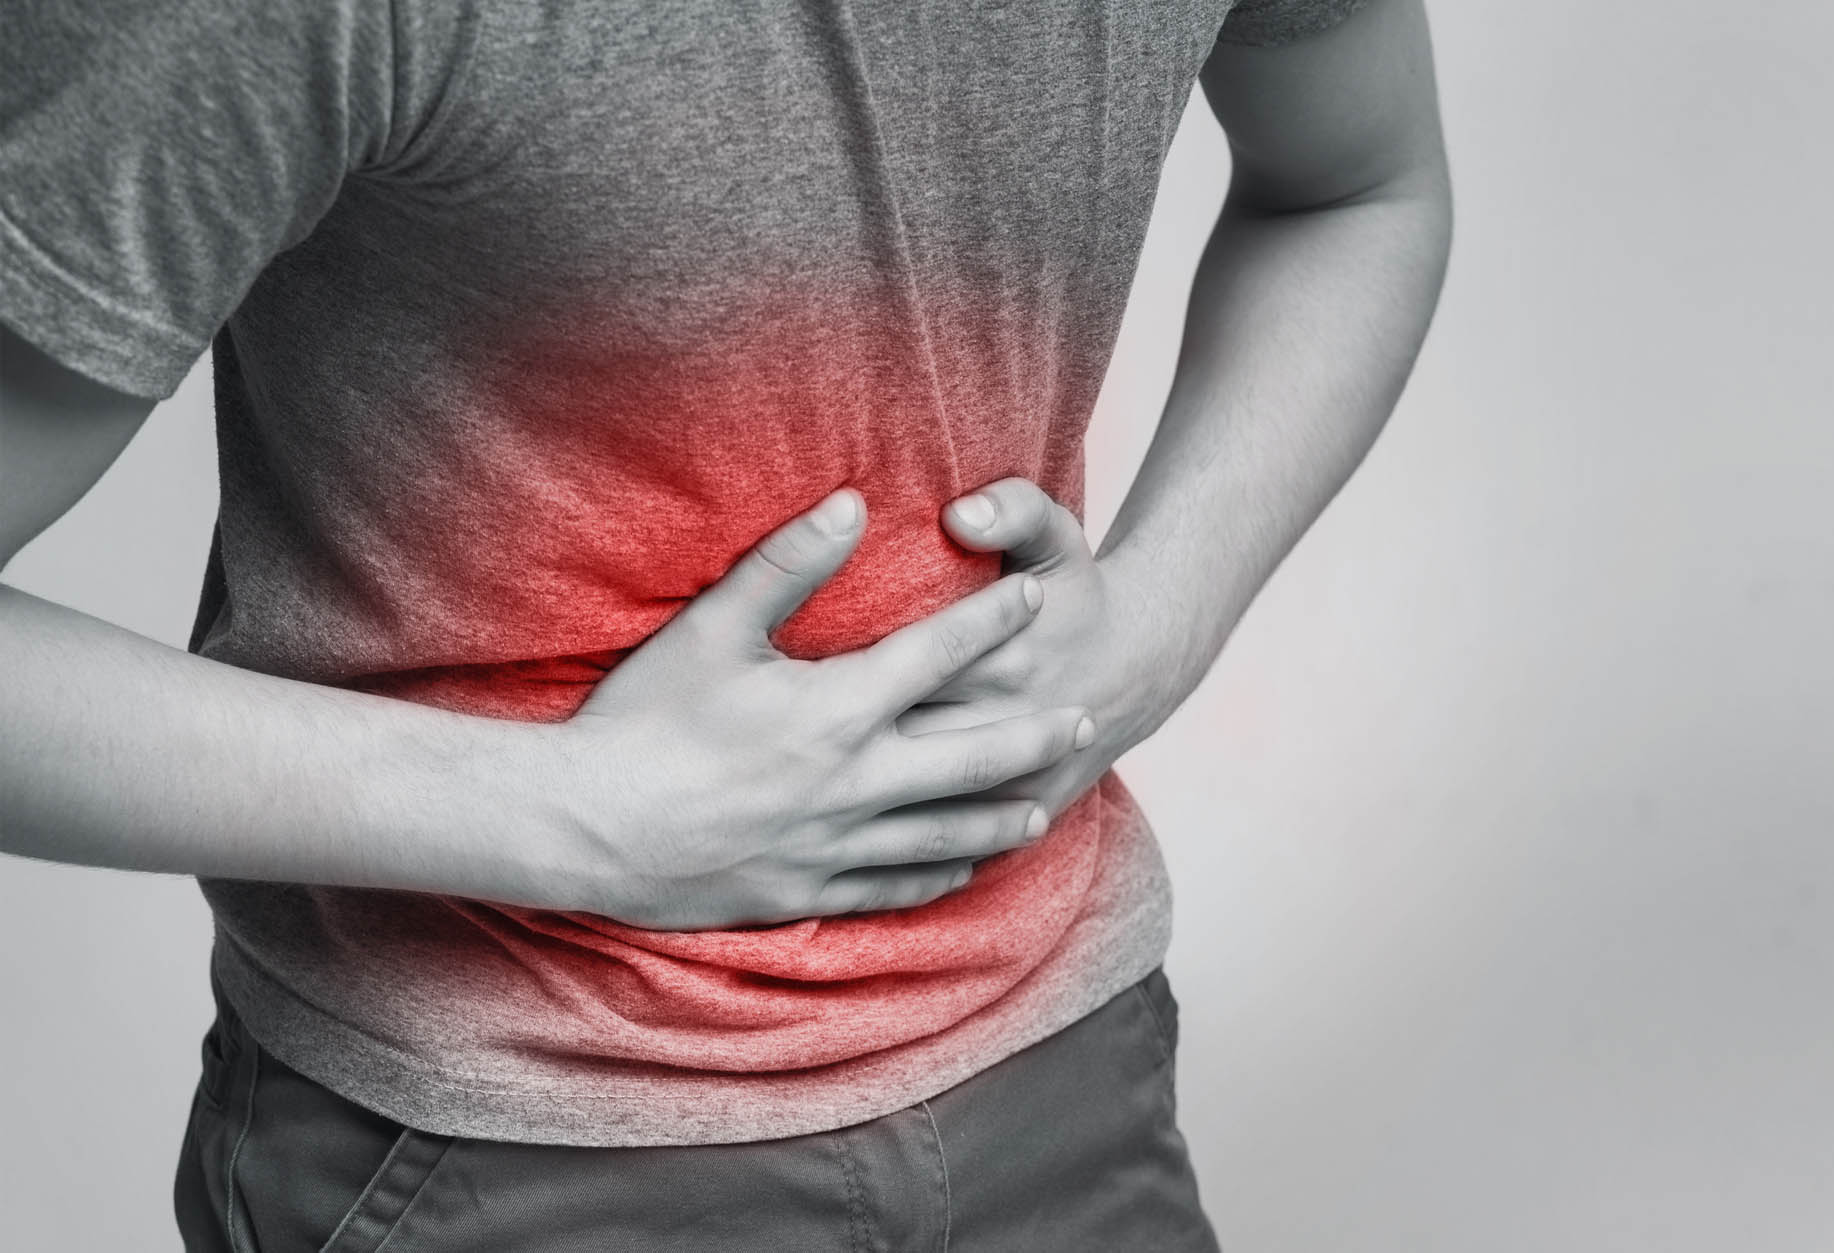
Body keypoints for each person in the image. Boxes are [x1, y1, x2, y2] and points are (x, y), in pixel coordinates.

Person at [0, 0, 1451, 1246]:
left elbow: (1354, 189)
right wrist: (576, 817)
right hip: (491, 1147)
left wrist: (1153, 625)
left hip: (1064, 1066)